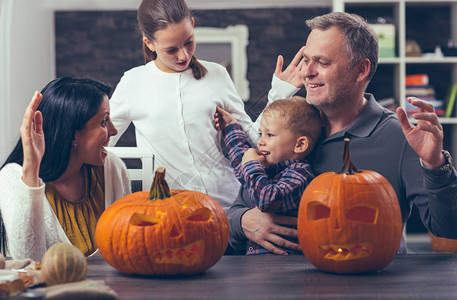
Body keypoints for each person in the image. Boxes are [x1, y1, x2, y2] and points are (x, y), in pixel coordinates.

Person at [228, 11, 457, 255]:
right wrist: (243, 222)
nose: (307, 72)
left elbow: (448, 228)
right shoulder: (290, 127)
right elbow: (233, 217)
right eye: (306, 60)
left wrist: (435, 165)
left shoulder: (399, 137)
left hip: (372, 284)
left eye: (323, 62)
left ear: (360, 70)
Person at [108, 0, 302, 211]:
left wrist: (279, 93)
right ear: (149, 43)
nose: (183, 55)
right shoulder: (132, 82)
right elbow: (102, 144)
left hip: (231, 205)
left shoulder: (217, 74)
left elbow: (254, 140)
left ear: (192, 24)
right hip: (170, 212)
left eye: (188, 42)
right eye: (171, 50)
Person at [0, 78, 131, 261]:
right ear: (72, 133)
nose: (114, 130)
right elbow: (28, 261)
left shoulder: (113, 169)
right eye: (104, 122)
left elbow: (127, 249)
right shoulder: (11, 177)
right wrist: (31, 166)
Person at [214, 97, 321, 254]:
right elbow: (240, 159)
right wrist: (231, 126)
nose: (260, 142)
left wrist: (251, 165)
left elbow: (267, 201)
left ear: (300, 145)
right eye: (260, 134)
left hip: (283, 265)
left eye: (269, 135)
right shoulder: (266, 166)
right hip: (254, 266)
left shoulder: (300, 173)